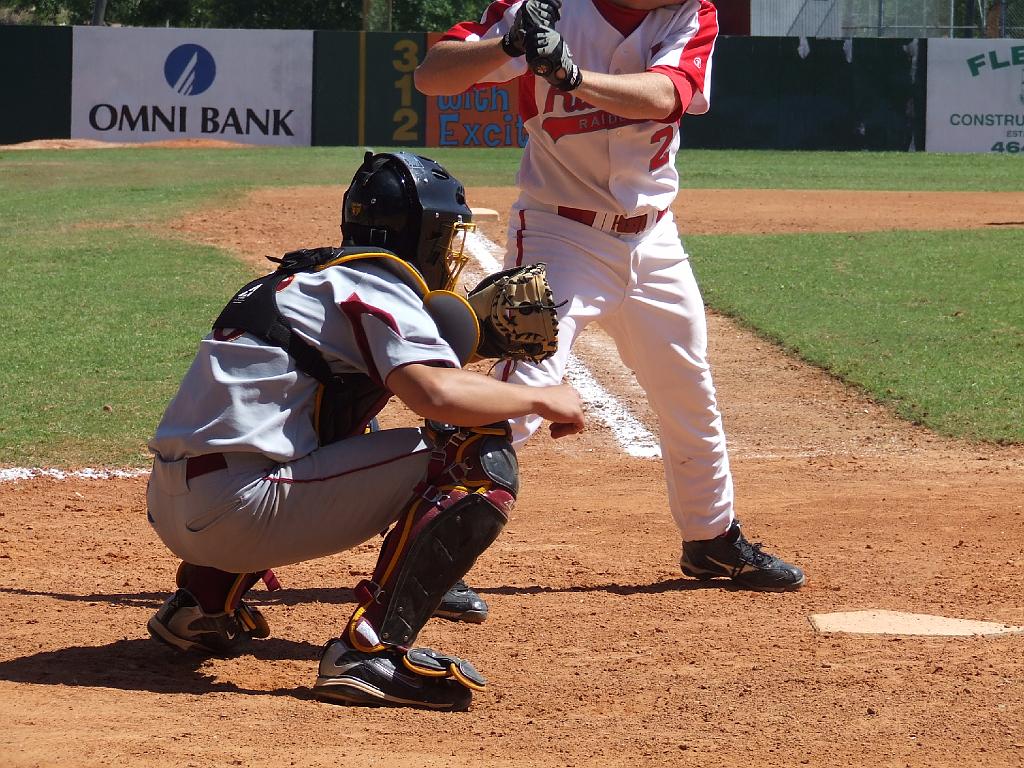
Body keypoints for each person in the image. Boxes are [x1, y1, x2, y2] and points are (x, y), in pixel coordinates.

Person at [145, 151, 584, 711]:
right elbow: (436, 396)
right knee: (473, 450)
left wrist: (462, 342)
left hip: (173, 501)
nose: (450, 250)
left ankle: (201, 605)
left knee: (341, 422)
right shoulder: (377, 287)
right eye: (447, 234)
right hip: (241, 511)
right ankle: (369, 652)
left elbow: (346, 387)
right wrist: (544, 396)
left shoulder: (295, 282)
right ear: (423, 232)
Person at [414, 0, 805, 595]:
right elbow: (432, 74)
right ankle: (430, 554)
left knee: (688, 389)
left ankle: (711, 537)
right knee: (521, 392)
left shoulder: (691, 13)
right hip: (558, 233)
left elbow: (666, 93)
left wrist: (572, 76)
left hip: (653, 237)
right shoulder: (544, 8)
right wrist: (508, 47)